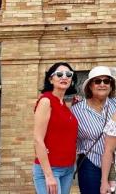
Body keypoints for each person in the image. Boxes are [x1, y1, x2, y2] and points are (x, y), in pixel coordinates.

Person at [33, 62, 79, 194]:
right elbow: (38, 139)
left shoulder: (64, 105)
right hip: (50, 169)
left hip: (68, 168)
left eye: (68, 74)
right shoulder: (46, 101)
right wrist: (48, 175)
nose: (64, 77)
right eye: (59, 74)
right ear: (50, 79)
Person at [72, 66, 116, 194]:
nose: (102, 84)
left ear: (111, 85)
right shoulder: (77, 110)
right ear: (90, 86)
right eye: (97, 81)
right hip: (90, 163)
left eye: (106, 81)